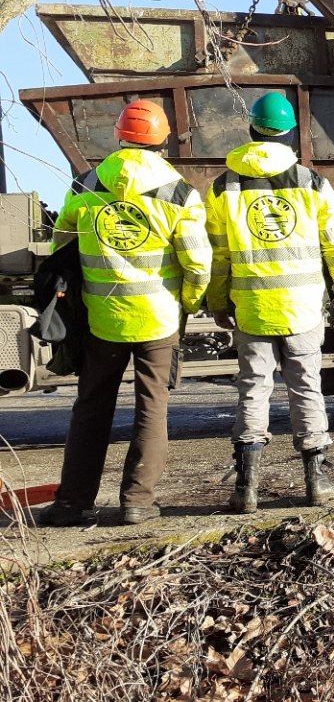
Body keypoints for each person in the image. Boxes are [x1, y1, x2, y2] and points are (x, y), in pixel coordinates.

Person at [39, 100, 211, 527]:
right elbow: (197, 263)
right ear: (163, 141)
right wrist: (187, 303)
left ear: (118, 136)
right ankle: (136, 502)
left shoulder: (86, 185)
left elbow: (63, 243)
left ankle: (72, 502)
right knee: (152, 408)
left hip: (102, 319)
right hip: (158, 321)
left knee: (91, 408)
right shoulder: (179, 192)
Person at [205, 91, 334, 513]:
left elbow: (217, 254)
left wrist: (218, 302)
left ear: (251, 130)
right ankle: (316, 481)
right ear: (290, 135)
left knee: (253, 390)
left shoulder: (223, 187)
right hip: (304, 308)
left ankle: (246, 488)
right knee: (306, 388)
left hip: (252, 309)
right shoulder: (313, 184)